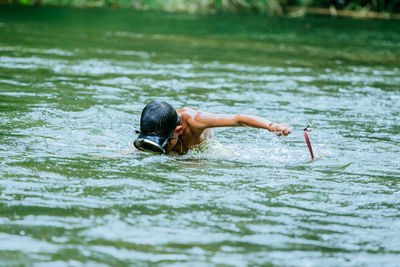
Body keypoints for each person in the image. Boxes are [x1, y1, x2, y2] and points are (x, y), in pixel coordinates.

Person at [134, 101, 291, 155]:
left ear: (179, 130)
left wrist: (272, 126)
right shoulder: (153, 128)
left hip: (202, 150)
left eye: (165, 143)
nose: (161, 148)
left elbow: (239, 119)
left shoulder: (195, 120)